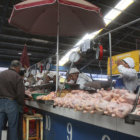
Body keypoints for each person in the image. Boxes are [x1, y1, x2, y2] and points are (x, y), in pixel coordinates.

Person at [0, 60, 25, 140]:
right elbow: (20, 93)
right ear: (17, 67)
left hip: (0, 102)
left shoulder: (1, 74)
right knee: (13, 127)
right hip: (12, 103)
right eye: (19, 68)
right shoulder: (17, 77)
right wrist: (21, 104)